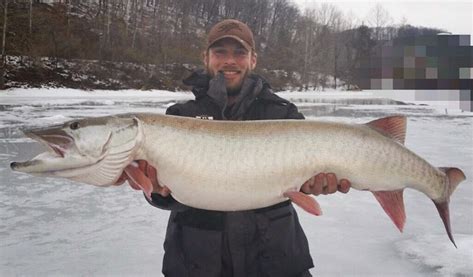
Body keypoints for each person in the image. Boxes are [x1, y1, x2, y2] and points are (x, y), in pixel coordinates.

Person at [118, 19, 351, 277]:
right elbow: (166, 197)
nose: (230, 61)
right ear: (205, 58)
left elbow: (306, 174)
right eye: (220, 52)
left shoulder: (281, 113)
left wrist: (314, 182)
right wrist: (157, 191)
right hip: (197, 263)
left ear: (253, 60)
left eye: (239, 52)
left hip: (276, 262)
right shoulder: (180, 115)